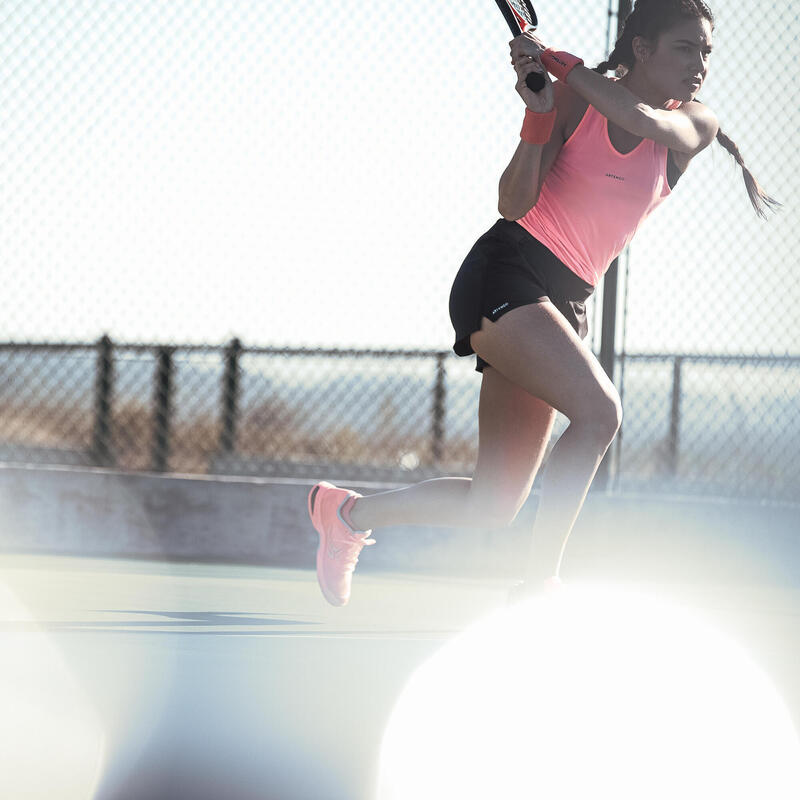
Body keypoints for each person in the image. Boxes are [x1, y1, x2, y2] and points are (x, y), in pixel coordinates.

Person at [306, 0, 779, 607]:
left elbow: (645, 123)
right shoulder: (574, 102)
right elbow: (512, 203)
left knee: (494, 503)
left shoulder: (694, 124)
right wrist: (540, 114)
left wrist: (566, 70)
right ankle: (538, 587)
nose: (700, 66)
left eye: (706, 53)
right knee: (601, 412)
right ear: (642, 49)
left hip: (566, 302)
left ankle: (346, 514)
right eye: (686, 49)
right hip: (508, 272)